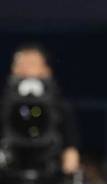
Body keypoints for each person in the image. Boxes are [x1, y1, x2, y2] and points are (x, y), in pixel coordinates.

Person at [7, 43, 80, 175]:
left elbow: (69, 137)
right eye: (21, 64)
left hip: (48, 164)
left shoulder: (58, 105)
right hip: (11, 163)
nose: (26, 69)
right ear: (13, 69)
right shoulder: (4, 103)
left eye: (32, 64)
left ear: (46, 70)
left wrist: (71, 151)